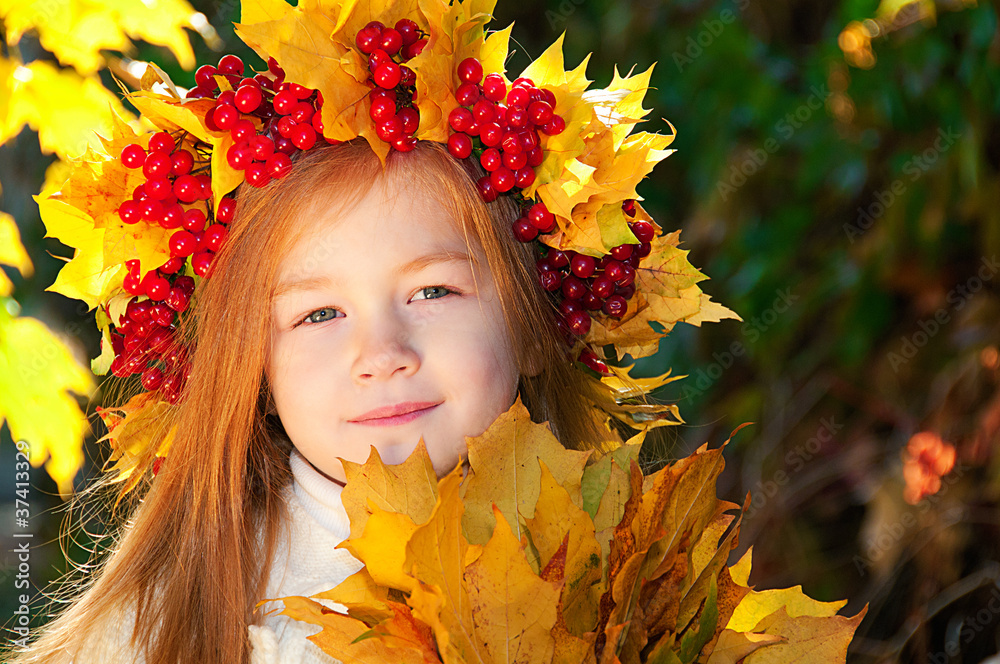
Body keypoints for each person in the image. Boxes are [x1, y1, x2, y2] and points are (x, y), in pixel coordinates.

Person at [4, 1, 716, 662]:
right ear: (255, 371)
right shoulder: (172, 618)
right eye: (318, 314)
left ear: (535, 325)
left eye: (433, 290)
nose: (382, 355)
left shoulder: (625, 575)